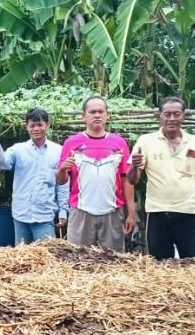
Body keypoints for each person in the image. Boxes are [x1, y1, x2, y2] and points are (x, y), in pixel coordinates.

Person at [128, 96, 195, 260]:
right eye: (167, 114)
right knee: (159, 267)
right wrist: (134, 166)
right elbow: (133, 180)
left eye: (176, 114)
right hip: (157, 213)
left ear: (184, 115)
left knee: (194, 265)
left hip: (188, 212)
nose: (172, 119)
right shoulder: (146, 141)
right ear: (159, 116)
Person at [55, 96, 136, 252]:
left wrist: (131, 213)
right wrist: (62, 169)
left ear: (107, 115)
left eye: (101, 111)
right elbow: (61, 180)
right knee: (77, 261)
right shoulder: (72, 142)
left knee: (114, 262)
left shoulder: (119, 143)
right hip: (80, 212)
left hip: (112, 212)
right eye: (92, 112)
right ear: (84, 116)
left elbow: (127, 180)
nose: (97, 115)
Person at [0, 108, 66, 245]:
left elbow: (62, 184)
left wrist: (63, 211)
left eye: (39, 125)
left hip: (45, 216)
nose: (36, 129)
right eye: (32, 125)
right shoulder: (18, 149)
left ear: (47, 125)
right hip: (21, 215)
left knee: (46, 258)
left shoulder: (58, 151)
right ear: (26, 127)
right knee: (22, 259)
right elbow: (1, 163)